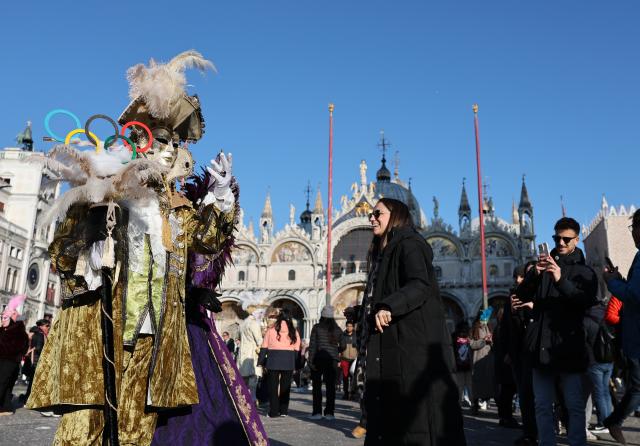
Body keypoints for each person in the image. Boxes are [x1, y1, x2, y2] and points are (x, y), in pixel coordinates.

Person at [26, 51, 265, 445]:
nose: (171, 150)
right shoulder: (105, 188)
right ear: (139, 140)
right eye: (163, 140)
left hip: (154, 337)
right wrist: (89, 256)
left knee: (138, 429)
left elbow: (204, 244)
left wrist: (222, 199)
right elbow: (63, 251)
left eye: (177, 142)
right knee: (86, 428)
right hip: (101, 329)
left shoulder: (175, 206)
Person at [353, 197, 466, 445]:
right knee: (389, 416)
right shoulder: (383, 252)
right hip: (390, 344)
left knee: (413, 421)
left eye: (377, 213)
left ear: (396, 215)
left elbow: (420, 283)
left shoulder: (409, 243)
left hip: (409, 345)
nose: (371, 217)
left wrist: (388, 306)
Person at [516, 217, 598, 446]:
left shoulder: (585, 272)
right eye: (556, 238)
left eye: (566, 238)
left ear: (576, 239)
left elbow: (584, 301)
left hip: (568, 346)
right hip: (541, 346)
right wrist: (535, 274)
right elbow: (521, 295)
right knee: (542, 405)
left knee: (573, 405)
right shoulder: (545, 266)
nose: (560, 242)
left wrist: (561, 279)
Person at [602, 208, 640, 444]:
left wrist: (613, 283)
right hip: (634, 334)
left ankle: (614, 420)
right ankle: (614, 420)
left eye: (634, 228)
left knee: (637, 386)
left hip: (636, 336)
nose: (632, 234)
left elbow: (635, 296)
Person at [504, 263, 538, 446]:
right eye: (517, 276)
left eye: (523, 276)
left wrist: (534, 307)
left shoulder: (542, 295)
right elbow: (509, 328)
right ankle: (530, 433)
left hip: (539, 351)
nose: (518, 280)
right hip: (521, 353)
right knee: (525, 395)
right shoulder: (514, 297)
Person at [259, 308, 301, 418]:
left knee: (273, 388)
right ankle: (283, 411)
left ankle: (273, 412)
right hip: (288, 361)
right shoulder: (293, 331)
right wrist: (295, 362)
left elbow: (264, 347)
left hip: (273, 360)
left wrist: (261, 361)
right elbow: (297, 349)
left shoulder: (271, 330)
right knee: (285, 387)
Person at [308, 306, 342, 420]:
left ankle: (317, 412)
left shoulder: (316, 327)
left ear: (322, 316)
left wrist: (310, 360)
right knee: (330, 387)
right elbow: (343, 345)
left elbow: (312, 345)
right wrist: (336, 351)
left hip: (318, 358)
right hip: (332, 360)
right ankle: (329, 413)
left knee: (317, 386)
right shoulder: (337, 329)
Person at [0, 295, 29, 416]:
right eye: (2, 317)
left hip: (10, 361)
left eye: (5, 317)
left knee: (2, 382)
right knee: (5, 385)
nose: (2, 319)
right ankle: (6, 407)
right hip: (3, 360)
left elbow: (16, 347)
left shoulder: (18, 331)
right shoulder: (4, 330)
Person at [493, 306, 519, 428]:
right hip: (506, 364)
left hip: (500, 363)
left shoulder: (497, 329)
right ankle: (506, 417)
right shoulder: (502, 329)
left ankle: (504, 417)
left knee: (505, 392)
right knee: (508, 391)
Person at [237, 305, 264, 401]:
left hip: (242, 352)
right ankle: (252, 398)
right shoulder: (253, 324)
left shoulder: (242, 323)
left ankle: (243, 398)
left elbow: (239, 338)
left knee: (243, 378)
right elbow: (259, 340)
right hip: (251, 352)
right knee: (253, 376)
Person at [469, 316, 495, 415]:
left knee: (490, 384)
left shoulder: (489, 327)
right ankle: (475, 405)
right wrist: (484, 340)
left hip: (488, 360)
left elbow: (494, 343)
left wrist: (491, 340)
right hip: (478, 360)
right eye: (483, 319)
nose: (485, 321)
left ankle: (487, 402)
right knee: (477, 385)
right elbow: (472, 344)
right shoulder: (473, 330)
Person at [453, 323, 473, 408]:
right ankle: (473, 404)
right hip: (468, 365)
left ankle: (459, 404)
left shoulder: (454, 338)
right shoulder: (469, 338)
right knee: (470, 386)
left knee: (460, 386)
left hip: (458, 365)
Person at [339, 320, 358, 400]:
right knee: (345, 377)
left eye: (350, 326)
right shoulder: (342, 335)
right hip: (344, 359)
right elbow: (339, 348)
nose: (349, 327)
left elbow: (359, 347)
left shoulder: (356, 336)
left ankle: (353, 393)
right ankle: (346, 393)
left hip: (354, 360)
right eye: (347, 326)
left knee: (354, 378)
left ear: (353, 327)